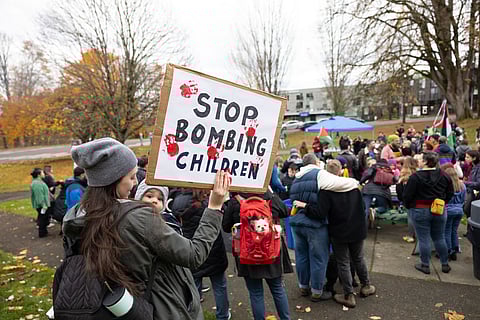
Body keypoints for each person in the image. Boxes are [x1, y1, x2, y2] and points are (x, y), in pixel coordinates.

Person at [63, 137, 230, 320]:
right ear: (114, 179)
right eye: (132, 177)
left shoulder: (76, 216)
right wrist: (214, 208)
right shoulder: (139, 217)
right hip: (158, 308)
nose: (135, 183)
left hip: (114, 307)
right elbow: (194, 255)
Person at [289, 153, 358, 302]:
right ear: (315, 162)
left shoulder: (297, 177)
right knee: (319, 257)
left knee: (301, 256)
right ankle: (317, 291)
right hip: (314, 224)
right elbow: (342, 183)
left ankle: (303, 286)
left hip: (296, 222)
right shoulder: (320, 174)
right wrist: (354, 182)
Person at [223, 190, 292, 320]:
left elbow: (226, 227)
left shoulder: (235, 201)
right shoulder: (270, 198)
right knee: (277, 289)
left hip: (247, 254)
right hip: (271, 252)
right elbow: (284, 212)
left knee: (255, 293)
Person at [315, 173, 376, 308]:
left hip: (339, 232)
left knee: (343, 262)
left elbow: (320, 212)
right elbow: (363, 208)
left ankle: (348, 295)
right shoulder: (354, 188)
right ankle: (366, 285)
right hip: (357, 229)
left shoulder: (326, 191)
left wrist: (305, 207)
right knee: (358, 258)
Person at [176, 189, 230, 320]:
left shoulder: (177, 201)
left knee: (193, 287)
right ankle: (222, 315)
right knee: (219, 286)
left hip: (191, 249)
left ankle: (194, 315)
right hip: (214, 250)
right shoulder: (210, 202)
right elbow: (223, 218)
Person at [403, 152, 454, 274]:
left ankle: (425, 265)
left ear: (426, 162)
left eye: (420, 159)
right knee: (439, 237)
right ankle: (445, 263)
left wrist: (410, 206)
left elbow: (407, 195)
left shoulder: (415, 177)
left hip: (420, 209)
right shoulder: (444, 175)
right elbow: (450, 193)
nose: (418, 162)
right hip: (439, 209)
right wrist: (443, 202)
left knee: (423, 238)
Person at [441, 163, 466, 261]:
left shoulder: (446, 186)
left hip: (448, 210)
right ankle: (455, 249)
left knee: (446, 231)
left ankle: (448, 250)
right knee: (454, 231)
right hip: (459, 210)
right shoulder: (462, 185)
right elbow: (464, 199)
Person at [30, 168, 51, 238]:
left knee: (43, 218)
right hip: (41, 205)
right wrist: (43, 205)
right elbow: (39, 196)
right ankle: (42, 233)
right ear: (39, 174)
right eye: (42, 173)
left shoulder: (38, 182)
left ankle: (44, 232)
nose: (44, 174)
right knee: (42, 218)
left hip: (42, 204)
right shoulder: (37, 184)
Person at [464, 150, 480, 218]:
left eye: (467, 157)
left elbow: (478, 184)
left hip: (476, 194)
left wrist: (465, 183)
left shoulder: (478, 168)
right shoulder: (472, 167)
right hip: (471, 192)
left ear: (474, 158)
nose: (465, 158)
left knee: (468, 210)